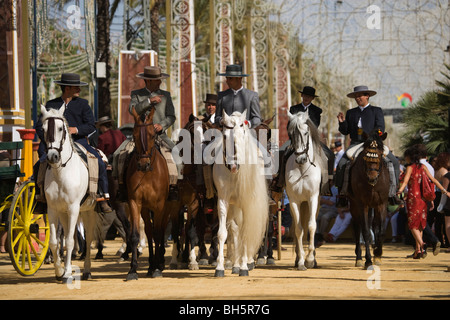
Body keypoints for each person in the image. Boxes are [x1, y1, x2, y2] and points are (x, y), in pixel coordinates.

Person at [34, 73, 112, 213]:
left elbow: (90, 126)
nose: (79, 90)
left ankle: (102, 197)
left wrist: (75, 129)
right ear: (67, 88)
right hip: (53, 145)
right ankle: (40, 198)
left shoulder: (83, 104)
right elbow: (39, 127)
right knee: (38, 165)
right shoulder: (51, 105)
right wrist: (49, 139)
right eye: (77, 87)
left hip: (79, 142)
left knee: (99, 162)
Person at [118, 65, 180, 201]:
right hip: (139, 136)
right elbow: (132, 110)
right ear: (149, 81)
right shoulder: (136, 94)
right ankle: (121, 187)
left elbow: (171, 116)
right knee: (119, 155)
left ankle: (174, 187)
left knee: (177, 155)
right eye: (158, 80)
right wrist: (149, 101)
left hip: (159, 136)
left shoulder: (166, 96)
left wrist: (162, 125)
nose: (160, 82)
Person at [335, 85, 401, 206]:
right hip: (355, 143)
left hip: (373, 143)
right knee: (341, 164)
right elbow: (345, 131)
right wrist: (342, 122)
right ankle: (342, 195)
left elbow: (381, 128)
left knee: (394, 162)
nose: (358, 98)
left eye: (360, 95)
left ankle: (393, 193)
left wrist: (373, 136)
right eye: (356, 96)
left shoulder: (376, 110)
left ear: (367, 96)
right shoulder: (351, 112)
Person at [271, 86, 334, 193]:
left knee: (330, 155)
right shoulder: (293, 109)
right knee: (280, 152)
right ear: (302, 95)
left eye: (309, 96)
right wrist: (293, 139)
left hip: (311, 139)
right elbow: (289, 126)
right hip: (295, 139)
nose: (306, 98)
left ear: (312, 98)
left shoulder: (317, 110)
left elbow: (315, 126)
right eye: (305, 95)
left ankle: (327, 183)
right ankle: (278, 180)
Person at [396, 146, 449, 259]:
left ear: (410, 157)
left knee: (412, 224)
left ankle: (422, 244)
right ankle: (418, 250)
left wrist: (400, 191)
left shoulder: (410, 167)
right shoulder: (423, 167)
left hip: (413, 198)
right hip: (423, 199)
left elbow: (405, 182)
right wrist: (445, 191)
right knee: (420, 224)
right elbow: (433, 181)